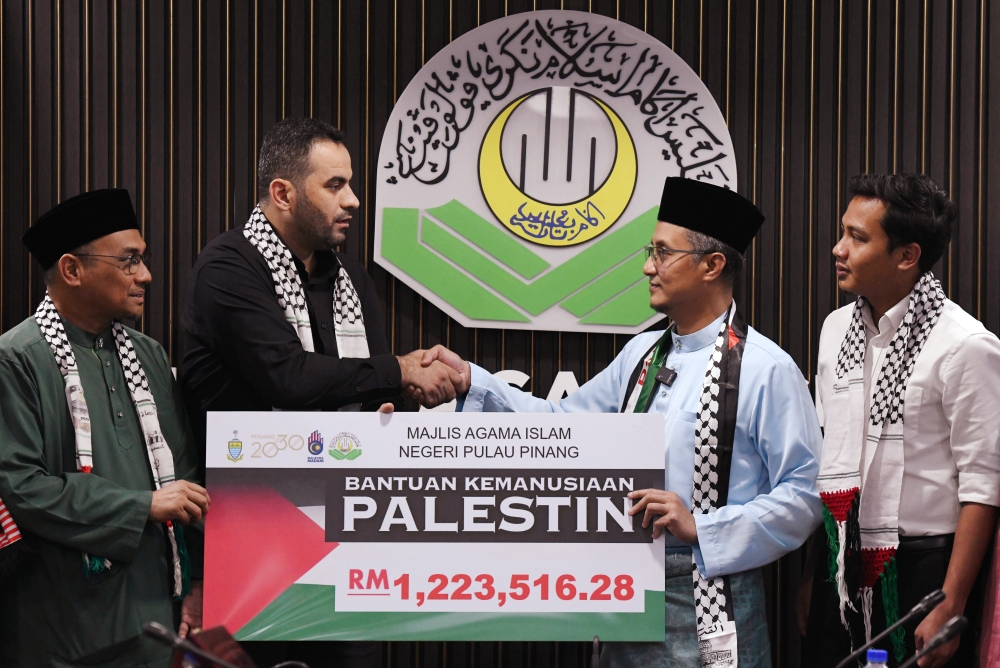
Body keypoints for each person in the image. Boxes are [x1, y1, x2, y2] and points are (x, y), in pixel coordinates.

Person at [421, 177, 824, 666]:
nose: (648, 267)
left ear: (712, 265)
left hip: (714, 594)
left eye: (663, 253)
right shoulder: (640, 355)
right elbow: (561, 427)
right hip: (628, 588)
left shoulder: (766, 368)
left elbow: (804, 493)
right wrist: (472, 381)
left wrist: (703, 527)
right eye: (650, 251)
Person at [182, 117, 467, 667]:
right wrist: (398, 370)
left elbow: (375, 386)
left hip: (346, 535)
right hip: (254, 536)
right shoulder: (228, 267)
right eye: (335, 185)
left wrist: (396, 399)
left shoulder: (351, 280)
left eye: (350, 184)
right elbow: (288, 378)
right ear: (283, 193)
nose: (353, 200)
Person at [0, 189, 208, 667]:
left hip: (157, 613)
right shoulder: (17, 359)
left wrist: (196, 582)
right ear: (72, 270)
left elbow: (185, 480)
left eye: (142, 259)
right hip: (65, 624)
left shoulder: (148, 355)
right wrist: (143, 505)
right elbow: (21, 487)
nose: (145, 275)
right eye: (129, 261)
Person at [803, 174, 1000, 667]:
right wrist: (814, 576)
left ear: (907, 256)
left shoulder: (965, 345)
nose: (838, 249)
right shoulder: (835, 330)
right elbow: (829, 457)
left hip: (924, 568)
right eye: (843, 232)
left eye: (857, 237)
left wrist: (951, 603)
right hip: (840, 559)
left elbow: (983, 486)